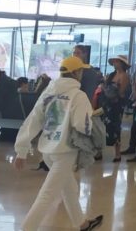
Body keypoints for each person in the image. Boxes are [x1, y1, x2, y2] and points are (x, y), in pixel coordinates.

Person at [13, 56, 103, 231]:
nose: (82, 74)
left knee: (69, 189)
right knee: (47, 195)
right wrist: (92, 121)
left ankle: (82, 224)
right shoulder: (78, 95)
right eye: (81, 70)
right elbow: (81, 125)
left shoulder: (48, 92)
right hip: (66, 151)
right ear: (76, 72)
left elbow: (33, 121)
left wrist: (21, 150)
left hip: (47, 150)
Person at [102, 55, 131, 162]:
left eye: (116, 61)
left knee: (115, 127)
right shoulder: (112, 75)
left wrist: (109, 90)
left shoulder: (124, 76)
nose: (114, 63)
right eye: (114, 62)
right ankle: (100, 150)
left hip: (116, 104)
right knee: (103, 126)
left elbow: (121, 92)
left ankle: (117, 153)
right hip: (107, 104)